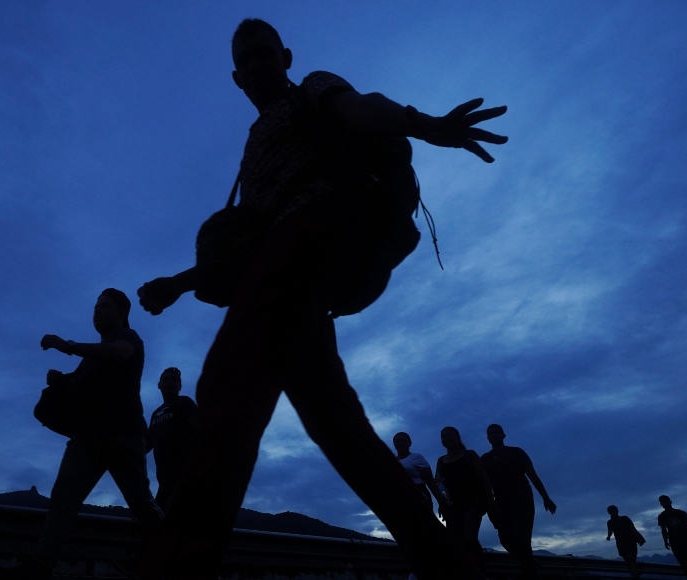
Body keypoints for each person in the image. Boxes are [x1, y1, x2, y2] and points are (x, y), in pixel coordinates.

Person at [136, 18, 507, 580]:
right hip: (286, 274)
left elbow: (362, 108)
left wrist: (427, 125)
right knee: (344, 434)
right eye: (248, 61)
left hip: (312, 242)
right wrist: (181, 283)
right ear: (237, 79)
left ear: (285, 56)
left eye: (267, 54)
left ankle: (175, 567)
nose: (259, 66)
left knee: (227, 390)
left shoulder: (312, 88)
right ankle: (451, 568)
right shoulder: (253, 149)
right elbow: (248, 243)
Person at [0, 289, 163, 580]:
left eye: (104, 306)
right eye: (95, 307)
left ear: (122, 313)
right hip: (87, 439)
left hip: (123, 436)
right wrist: (61, 381)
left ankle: (182, 559)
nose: (96, 311)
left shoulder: (128, 338)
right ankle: (41, 566)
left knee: (141, 504)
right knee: (63, 499)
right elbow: (80, 387)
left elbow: (119, 354)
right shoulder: (89, 360)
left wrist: (68, 345)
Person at [481, 424, 556, 580]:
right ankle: (530, 563)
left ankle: (529, 573)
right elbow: (482, 483)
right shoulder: (485, 459)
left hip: (522, 500)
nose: (493, 435)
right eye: (490, 433)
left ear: (503, 435)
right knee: (505, 540)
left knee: (523, 540)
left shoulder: (516, 452)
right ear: (487, 437)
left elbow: (532, 475)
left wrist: (546, 498)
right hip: (501, 503)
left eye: (496, 433)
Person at [434, 427, 498, 571]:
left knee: (469, 536)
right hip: (453, 505)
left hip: (474, 501)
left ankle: (480, 571)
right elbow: (439, 483)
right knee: (456, 540)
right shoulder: (441, 460)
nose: (447, 439)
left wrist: (491, 500)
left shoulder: (470, 455)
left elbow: (484, 478)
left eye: (450, 435)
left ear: (457, 437)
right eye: (443, 437)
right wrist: (441, 503)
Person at [146, 367, 200, 511]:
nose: (169, 381)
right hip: (164, 478)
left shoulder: (185, 403)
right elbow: (147, 443)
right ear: (159, 385)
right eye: (166, 379)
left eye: (174, 380)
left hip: (184, 476)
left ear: (180, 386)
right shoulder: (156, 413)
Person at [658, 495, 687, 580]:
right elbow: (663, 530)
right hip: (675, 542)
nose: (665, 503)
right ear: (661, 504)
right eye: (663, 502)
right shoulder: (661, 516)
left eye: (666, 501)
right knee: (684, 565)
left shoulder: (681, 513)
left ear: (670, 501)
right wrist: (665, 541)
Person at [393, 432, 444, 511]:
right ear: (394, 444)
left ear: (409, 443)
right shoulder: (391, 462)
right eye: (398, 441)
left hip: (419, 494)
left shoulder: (417, 457)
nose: (400, 443)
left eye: (403, 441)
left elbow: (430, 481)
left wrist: (440, 501)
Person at [606, 505, 646, 579]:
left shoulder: (624, 519)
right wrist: (608, 536)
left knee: (631, 562)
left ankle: (635, 576)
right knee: (629, 562)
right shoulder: (611, 522)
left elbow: (633, 529)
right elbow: (610, 531)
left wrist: (640, 538)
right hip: (622, 543)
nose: (613, 512)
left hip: (629, 542)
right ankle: (635, 575)